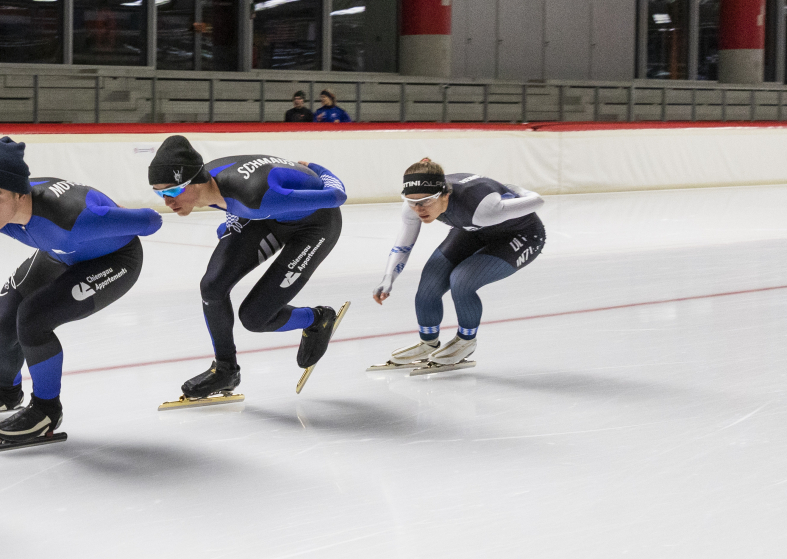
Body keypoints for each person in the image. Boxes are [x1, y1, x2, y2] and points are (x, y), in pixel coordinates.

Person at [0, 137, 161, 448]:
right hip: (58, 253)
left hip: (113, 259)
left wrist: (110, 214)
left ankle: (46, 411)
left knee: (33, 319)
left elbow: (151, 221)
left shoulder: (73, 218)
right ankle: (7, 393)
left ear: (20, 193)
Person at [147, 136, 347, 401]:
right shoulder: (212, 180)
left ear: (196, 180)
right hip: (266, 215)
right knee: (212, 286)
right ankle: (225, 370)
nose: (166, 201)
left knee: (255, 318)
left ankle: (317, 318)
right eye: (159, 193)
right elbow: (231, 199)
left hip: (314, 225)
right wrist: (229, 227)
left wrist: (318, 168)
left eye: (172, 191)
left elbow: (335, 196)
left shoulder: (255, 197)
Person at [370, 159, 546, 372]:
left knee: (462, 281)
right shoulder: (415, 205)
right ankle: (428, 342)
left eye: (426, 201)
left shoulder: (483, 208)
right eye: (411, 202)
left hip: (520, 235)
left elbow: (537, 200)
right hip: (473, 229)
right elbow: (403, 246)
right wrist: (388, 277)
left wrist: (515, 190)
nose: (419, 209)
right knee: (429, 284)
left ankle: (465, 341)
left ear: (445, 195)